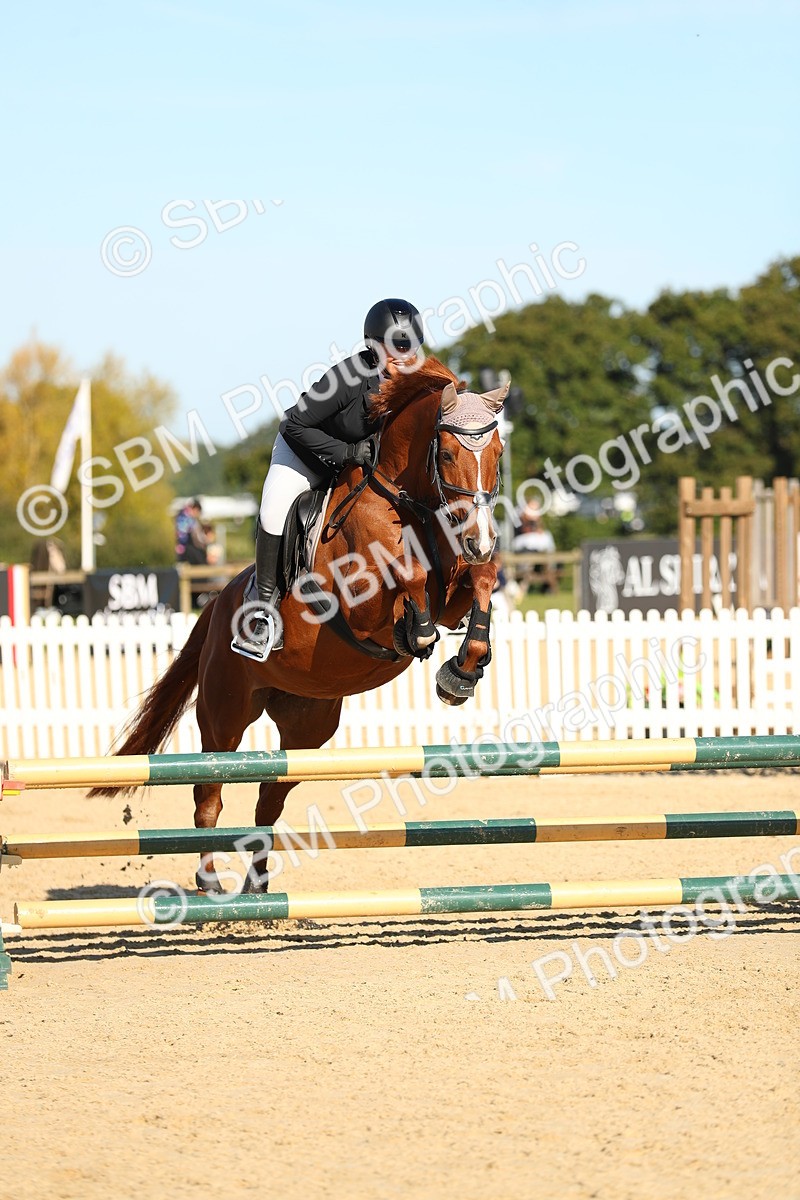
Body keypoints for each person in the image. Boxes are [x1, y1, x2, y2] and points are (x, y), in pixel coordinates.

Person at [231, 298, 425, 661]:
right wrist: (348, 454)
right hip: (302, 453)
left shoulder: (414, 386)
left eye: (412, 345)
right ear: (375, 345)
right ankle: (262, 609)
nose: (408, 355)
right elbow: (294, 425)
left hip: (357, 469)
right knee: (274, 511)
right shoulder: (346, 377)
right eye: (400, 346)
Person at [175, 498, 208, 566]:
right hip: (187, 548)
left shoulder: (181, 515)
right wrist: (205, 543)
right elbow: (196, 537)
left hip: (180, 548)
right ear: (195, 509)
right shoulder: (190, 520)